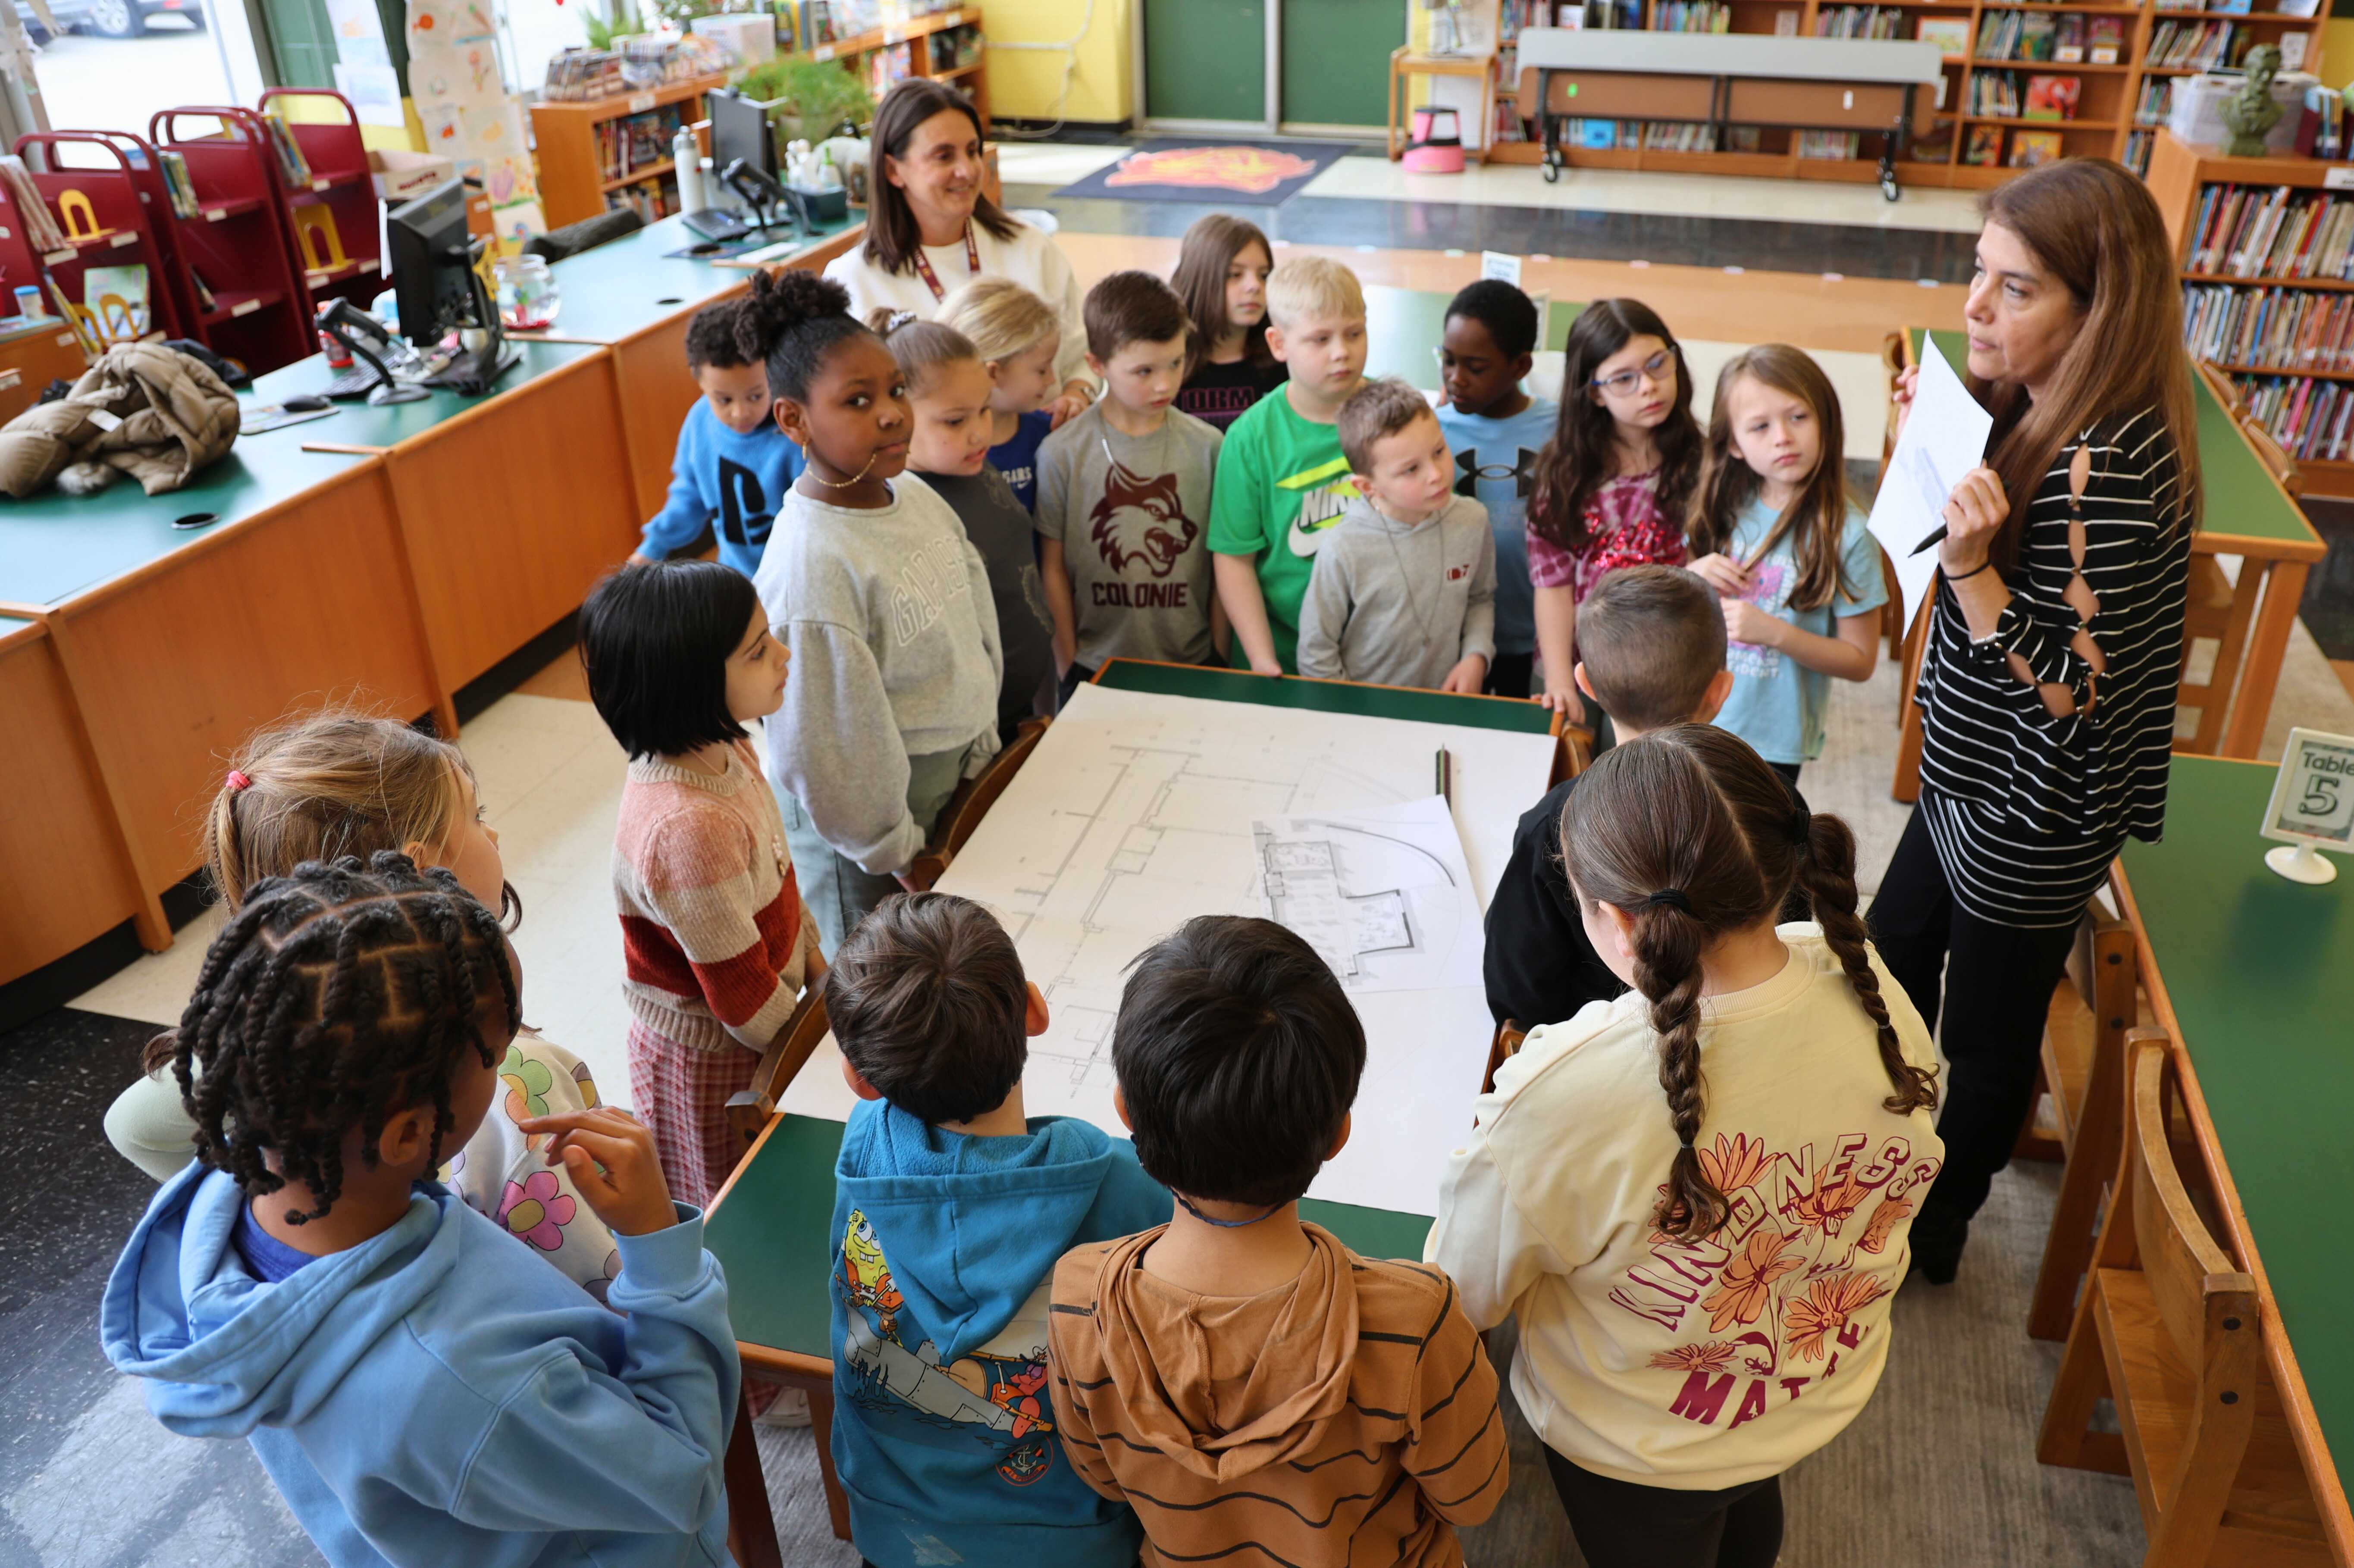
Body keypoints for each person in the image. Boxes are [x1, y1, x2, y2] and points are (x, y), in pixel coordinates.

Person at [102, 855, 738, 1568]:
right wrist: (659, 1252)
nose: (506, 1069)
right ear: (407, 1134)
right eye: (497, 1057)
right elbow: (680, 1475)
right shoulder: (468, 1385)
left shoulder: (228, 1192)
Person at [1428, 726, 1941, 1568]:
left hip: (1638, 1445)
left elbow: (1464, 1294)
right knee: (1745, 1524)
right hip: (1809, 1386)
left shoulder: (1558, 1093)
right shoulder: (1865, 978)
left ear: (1620, 927)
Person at [1870, 158, 2197, 1284]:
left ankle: (1938, 1222)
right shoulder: (2057, 400)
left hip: (2024, 807)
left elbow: (2069, 686)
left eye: (2014, 289)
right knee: (1887, 950)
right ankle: (1881, 1135)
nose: (1973, 304)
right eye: (1978, 271)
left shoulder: (2103, 460)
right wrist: (1942, 439)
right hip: (1967, 772)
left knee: (1987, 1038)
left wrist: (1966, 569)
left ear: (2093, 310)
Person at [99, 711, 621, 1299]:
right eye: (476, 816)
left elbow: (133, 1124)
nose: (493, 834)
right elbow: (603, 1293)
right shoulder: (520, 1082)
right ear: (421, 870)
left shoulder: (284, 1065)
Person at [1047, 914, 1508, 1568]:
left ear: (1125, 1111)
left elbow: (1100, 1476)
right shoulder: (1415, 1320)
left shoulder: (1079, 1297)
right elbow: (1474, 1498)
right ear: (1336, 1134)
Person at [823, 892, 1171, 1568]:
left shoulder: (864, 1150)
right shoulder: (1126, 1185)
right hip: (1074, 1540)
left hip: (894, 1531)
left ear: (857, 1079)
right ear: (1035, 1012)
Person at [744, 269, 1003, 955]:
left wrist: (982, 743)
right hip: (868, 830)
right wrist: (896, 850)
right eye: (857, 401)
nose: (891, 412)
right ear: (795, 419)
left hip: (943, 784)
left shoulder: (909, 491)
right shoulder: (812, 570)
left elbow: (970, 612)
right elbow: (823, 750)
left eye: (894, 390)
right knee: (881, 984)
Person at [579, 557, 824, 1207]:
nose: (784, 654)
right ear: (688, 686)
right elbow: (743, 1003)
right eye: (757, 651)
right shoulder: (688, 826)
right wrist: (816, 1036)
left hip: (765, 1018)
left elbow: (779, 873)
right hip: (714, 1060)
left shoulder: (729, 746)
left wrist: (815, 962)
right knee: (734, 1200)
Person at [1482, 566, 1733, 1030]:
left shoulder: (1552, 826)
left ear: (1587, 683)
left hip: (1595, 1069)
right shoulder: (1766, 803)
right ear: (1719, 691)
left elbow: (1515, 994)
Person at [823, 77, 1094, 424]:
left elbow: (1082, 352)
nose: (966, 170)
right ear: (893, 170)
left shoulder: (1030, 247)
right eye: (943, 156)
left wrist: (1077, 393)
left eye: (972, 151)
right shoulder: (853, 279)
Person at [1685, 345, 1885, 786]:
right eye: (1759, 426)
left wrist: (1772, 632)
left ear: (1825, 420)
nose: (1782, 436)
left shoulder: (1848, 534)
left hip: (1772, 743)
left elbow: (1860, 661)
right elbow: (1680, 609)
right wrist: (1692, 576)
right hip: (1698, 721)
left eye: (1797, 417)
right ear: (1733, 444)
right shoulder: (1720, 510)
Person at [1035, 269, 1225, 699]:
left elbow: (1219, 563)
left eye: (1175, 363)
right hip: (1094, 668)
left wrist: (1218, 653)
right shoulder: (1061, 453)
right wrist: (1068, 665)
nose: (1165, 383)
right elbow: (1054, 567)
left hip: (1192, 664)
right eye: (1143, 371)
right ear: (1097, 365)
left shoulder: (1208, 447)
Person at [877, 308, 1057, 738]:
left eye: (984, 410)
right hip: (973, 731)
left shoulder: (971, 464)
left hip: (1018, 708)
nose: (979, 432)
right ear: (897, 414)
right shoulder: (912, 507)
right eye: (955, 421)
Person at [1527, 299, 1701, 726]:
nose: (1648, 386)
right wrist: (1557, 680)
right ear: (1594, 393)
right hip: (1578, 664)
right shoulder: (1564, 475)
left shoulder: (1702, 461)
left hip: (1671, 666)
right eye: (1623, 378)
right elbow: (1552, 584)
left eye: (1657, 363)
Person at [1207, 256, 1371, 675]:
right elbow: (1233, 559)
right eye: (1320, 340)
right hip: (1285, 659)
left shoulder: (1393, 415)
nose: (1342, 352)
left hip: (1381, 656)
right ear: (1278, 344)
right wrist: (1262, 660)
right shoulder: (1249, 438)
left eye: (1354, 333)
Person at [1295, 376, 1496, 692]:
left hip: (1447, 706)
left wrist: (1476, 655)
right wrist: (1349, 712)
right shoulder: (1343, 547)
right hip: (1365, 717)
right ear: (1367, 486)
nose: (1435, 474)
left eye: (1439, 451)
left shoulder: (1472, 519)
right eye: (1411, 469)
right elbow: (1315, 650)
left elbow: (1480, 598)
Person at [1437, 279, 1557, 698]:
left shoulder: (1559, 429)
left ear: (1520, 367)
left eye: (1475, 367)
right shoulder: (1432, 431)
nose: (1455, 379)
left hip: (1536, 637)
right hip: (1455, 636)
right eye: (1447, 360)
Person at [628, 293, 804, 579]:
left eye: (756, 395)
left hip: (795, 581)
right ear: (700, 383)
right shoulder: (699, 422)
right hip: (736, 580)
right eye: (723, 400)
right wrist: (651, 548)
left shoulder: (797, 433)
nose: (740, 413)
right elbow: (689, 495)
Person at [938, 276, 1063, 510]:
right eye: (1042, 370)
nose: (1052, 380)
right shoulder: (944, 454)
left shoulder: (1050, 434)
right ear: (993, 374)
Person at [1169, 213, 1285, 433]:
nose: (1254, 286)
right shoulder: (1167, 361)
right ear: (1199, 279)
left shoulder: (1282, 362)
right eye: (1235, 274)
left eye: (1263, 275)